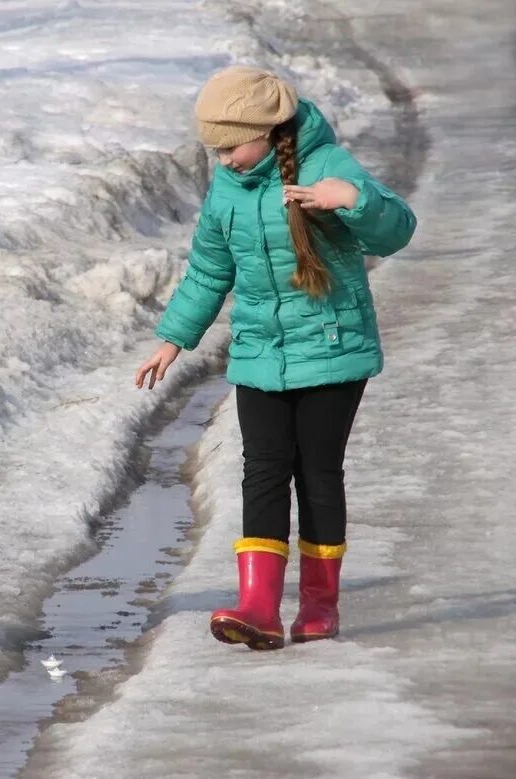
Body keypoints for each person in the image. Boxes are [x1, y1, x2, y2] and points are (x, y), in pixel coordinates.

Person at [135, 66, 416, 650]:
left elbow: (396, 231)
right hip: (260, 352)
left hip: (332, 351)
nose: (225, 160)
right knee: (262, 470)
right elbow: (211, 270)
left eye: (231, 146)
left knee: (316, 474)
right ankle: (259, 605)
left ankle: (319, 605)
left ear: (265, 131)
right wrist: (172, 339)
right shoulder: (226, 190)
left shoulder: (327, 165)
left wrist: (352, 200)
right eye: (215, 149)